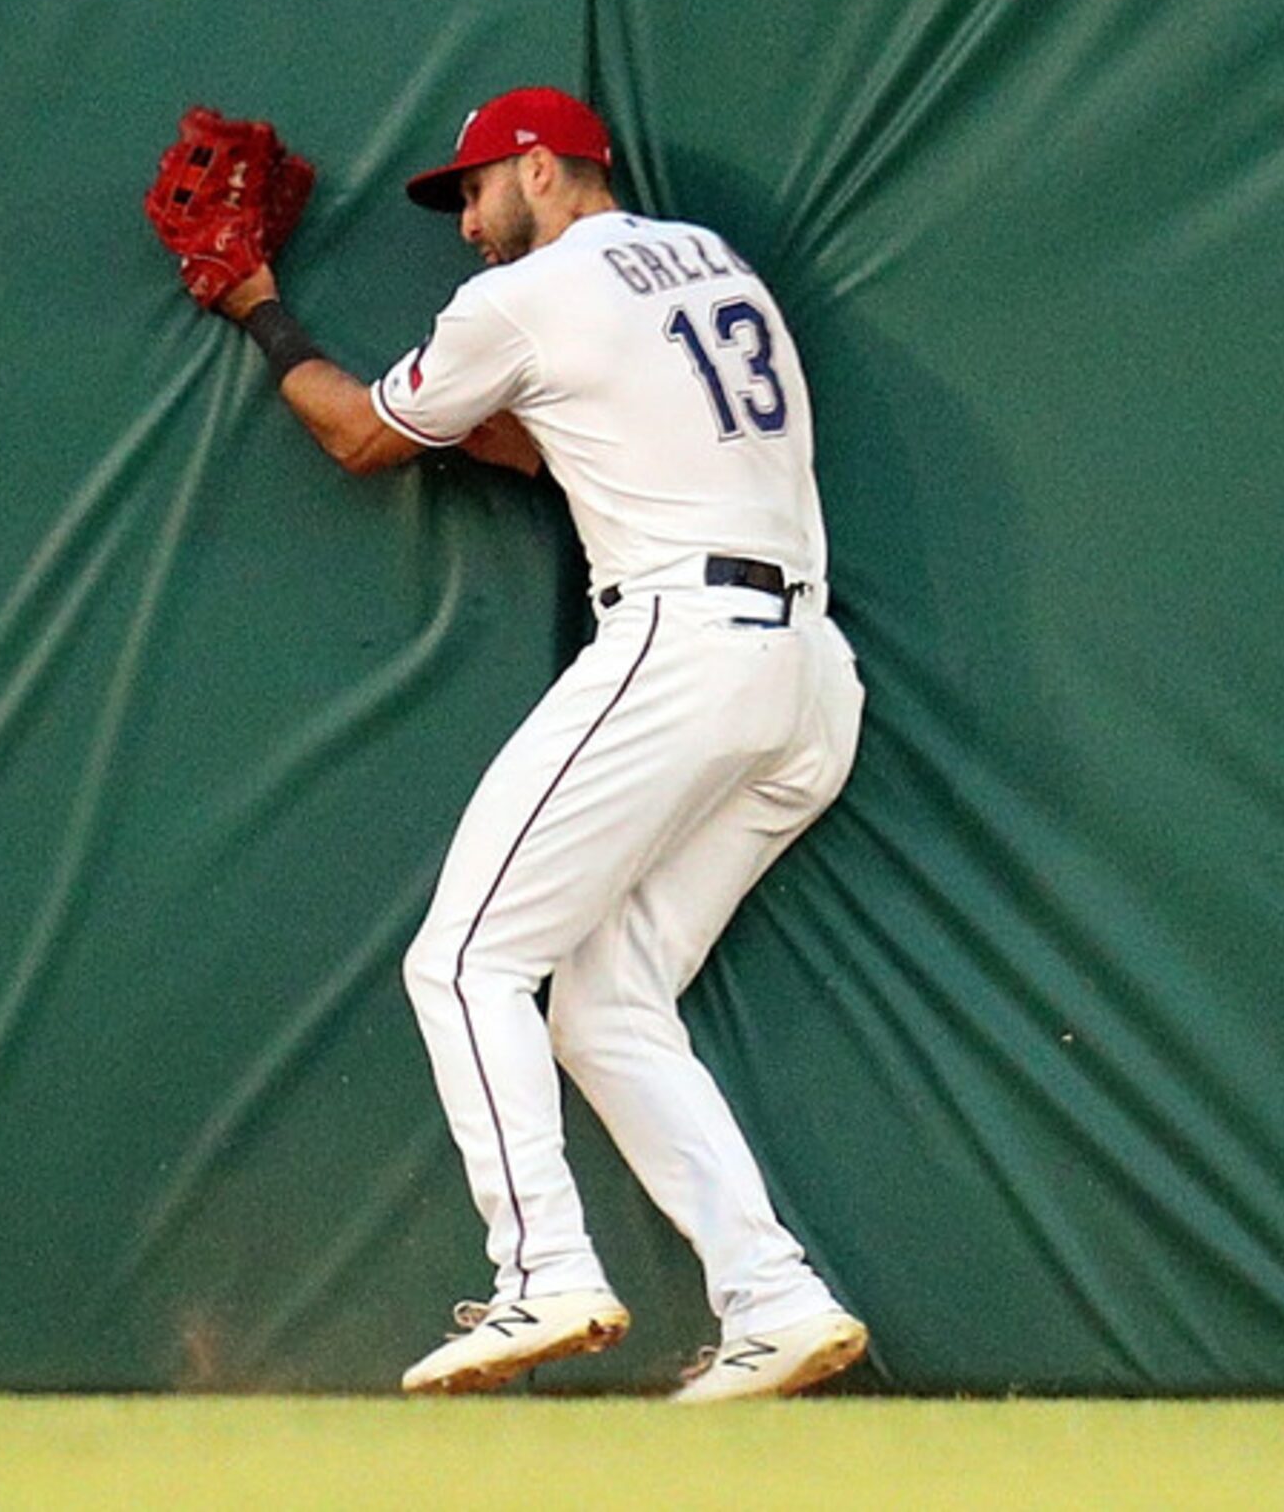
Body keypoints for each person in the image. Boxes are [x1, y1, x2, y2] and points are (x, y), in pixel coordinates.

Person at [210, 87, 869, 1403]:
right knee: (609, 1004)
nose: (464, 222)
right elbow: (575, 436)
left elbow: (358, 433)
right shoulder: (707, 262)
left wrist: (259, 309)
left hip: (682, 644)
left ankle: (545, 1272)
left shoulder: (528, 295)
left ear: (542, 168)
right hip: (808, 675)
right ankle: (775, 1298)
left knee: (462, 958)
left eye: (472, 189)